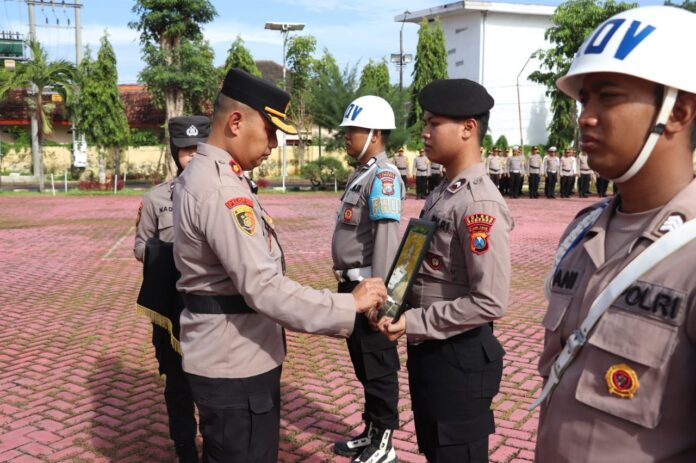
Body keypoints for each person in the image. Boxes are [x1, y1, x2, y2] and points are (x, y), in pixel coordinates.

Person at [171, 68, 387, 463]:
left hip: (226, 353)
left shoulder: (211, 176)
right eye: (270, 131)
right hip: (235, 362)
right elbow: (263, 287)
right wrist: (346, 305)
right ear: (235, 122)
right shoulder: (221, 188)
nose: (273, 144)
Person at [535, 6, 696, 462]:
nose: (585, 117)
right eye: (584, 100)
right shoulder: (583, 232)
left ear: (679, 112)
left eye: (608, 97)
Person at [378, 78, 512, 463]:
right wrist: (392, 304)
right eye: (425, 122)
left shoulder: (477, 202)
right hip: (433, 350)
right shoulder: (443, 192)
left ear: (468, 128)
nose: (424, 131)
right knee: (438, 451)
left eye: (434, 123)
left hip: (460, 356)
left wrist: (414, 321)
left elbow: (489, 302)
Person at [331, 95, 405, 463]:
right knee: (364, 363)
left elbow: (388, 243)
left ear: (375, 134)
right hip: (353, 287)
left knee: (379, 366)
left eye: (353, 130)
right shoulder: (363, 173)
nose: (346, 136)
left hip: (369, 289)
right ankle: (372, 431)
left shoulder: (384, 177)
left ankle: (386, 442)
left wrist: (383, 298)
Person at [134, 115, 210, 463]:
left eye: (198, 149)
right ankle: (184, 449)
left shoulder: (222, 194)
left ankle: (214, 444)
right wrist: (164, 254)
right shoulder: (155, 199)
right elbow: (140, 245)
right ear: (174, 152)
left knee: (211, 385)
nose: (191, 156)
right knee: (177, 385)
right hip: (170, 307)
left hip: (210, 308)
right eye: (184, 150)